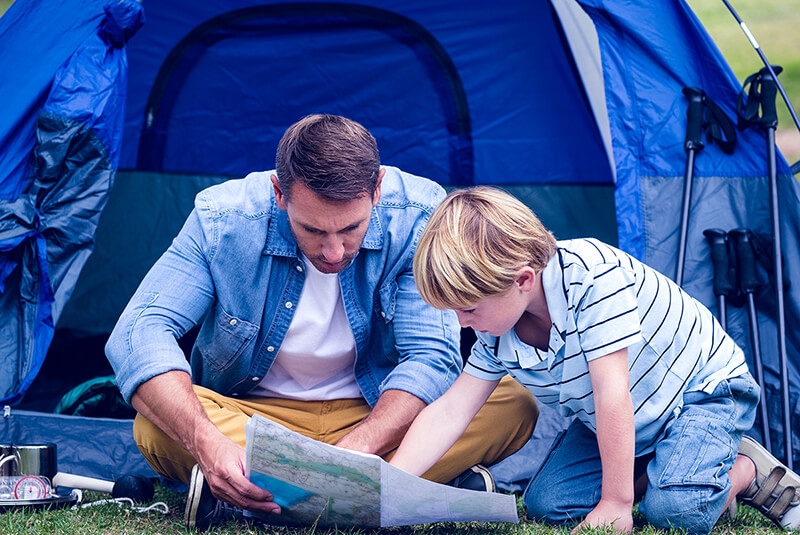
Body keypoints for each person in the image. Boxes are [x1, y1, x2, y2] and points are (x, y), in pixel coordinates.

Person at [105, 116, 537, 530]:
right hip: (255, 418)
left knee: (513, 405)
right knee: (157, 420)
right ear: (279, 193)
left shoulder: (419, 215)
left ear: (377, 189)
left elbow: (429, 357)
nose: (333, 252)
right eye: (312, 230)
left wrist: (359, 447)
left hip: (374, 416)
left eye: (351, 228)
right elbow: (137, 334)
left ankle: (258, 495)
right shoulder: (222, 219)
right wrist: (207, 442)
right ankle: (403, 490)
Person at [390, 186, 800, 534]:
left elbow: (611, 394)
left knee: (676, 512)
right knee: (548, 505)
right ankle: (671, 466)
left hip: (700, 394)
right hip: (630, 420)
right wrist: (391, 487)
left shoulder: (591, 276)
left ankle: (744, 468)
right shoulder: (495, 332)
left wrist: (618, 501)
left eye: (469, 309)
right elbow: (450, 411)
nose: (462, 323)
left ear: (522, 280)